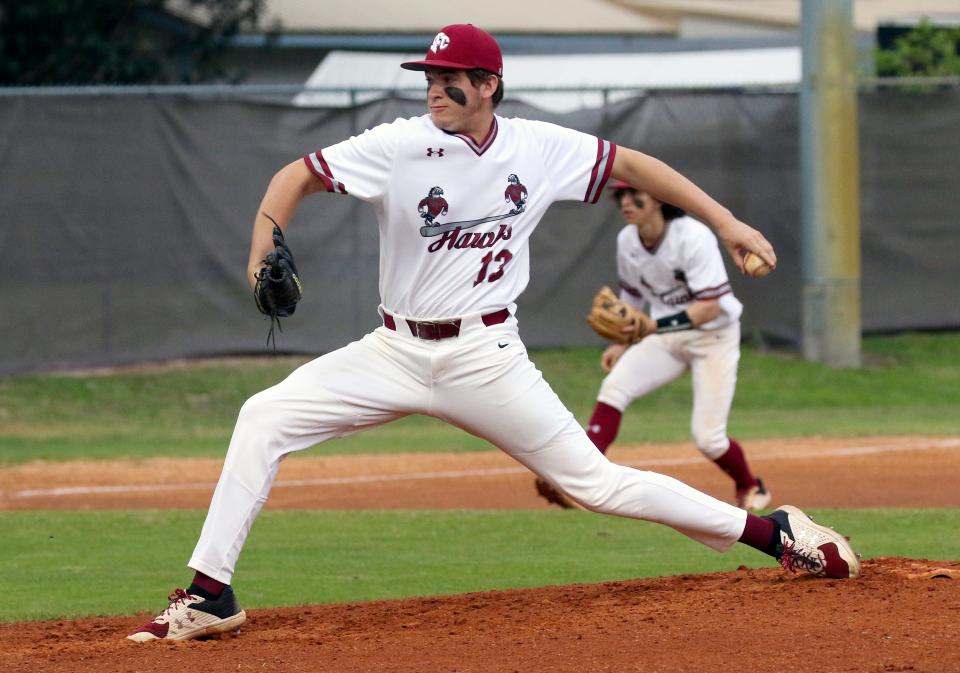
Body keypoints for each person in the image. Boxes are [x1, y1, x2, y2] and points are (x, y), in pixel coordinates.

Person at [127, 24, 859, 643]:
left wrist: (728, 223)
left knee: (595, 483)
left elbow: (635, 164)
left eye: (452, 79)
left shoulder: (537, 148)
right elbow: (296, 175)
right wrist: (261, 252)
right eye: (431, 77)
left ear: (490, 85)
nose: (436, 88)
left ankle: (779, 533)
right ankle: (210, 594)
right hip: (394, 350)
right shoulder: (398, 145)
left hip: (486, 355)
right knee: (263, 416)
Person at [535, 181, 770, 511]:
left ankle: (750, 485)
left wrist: (652, 326)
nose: (625, 203)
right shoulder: (627, 240)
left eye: (634, 195)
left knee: (708, 438)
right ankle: (580, 481)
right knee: (614, 389)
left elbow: (710, 307)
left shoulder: (692, 236)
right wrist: (621, 341)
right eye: (621, 197)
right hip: (666, 337)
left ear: (659, 200)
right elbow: (631, 297)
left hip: (713, 338)